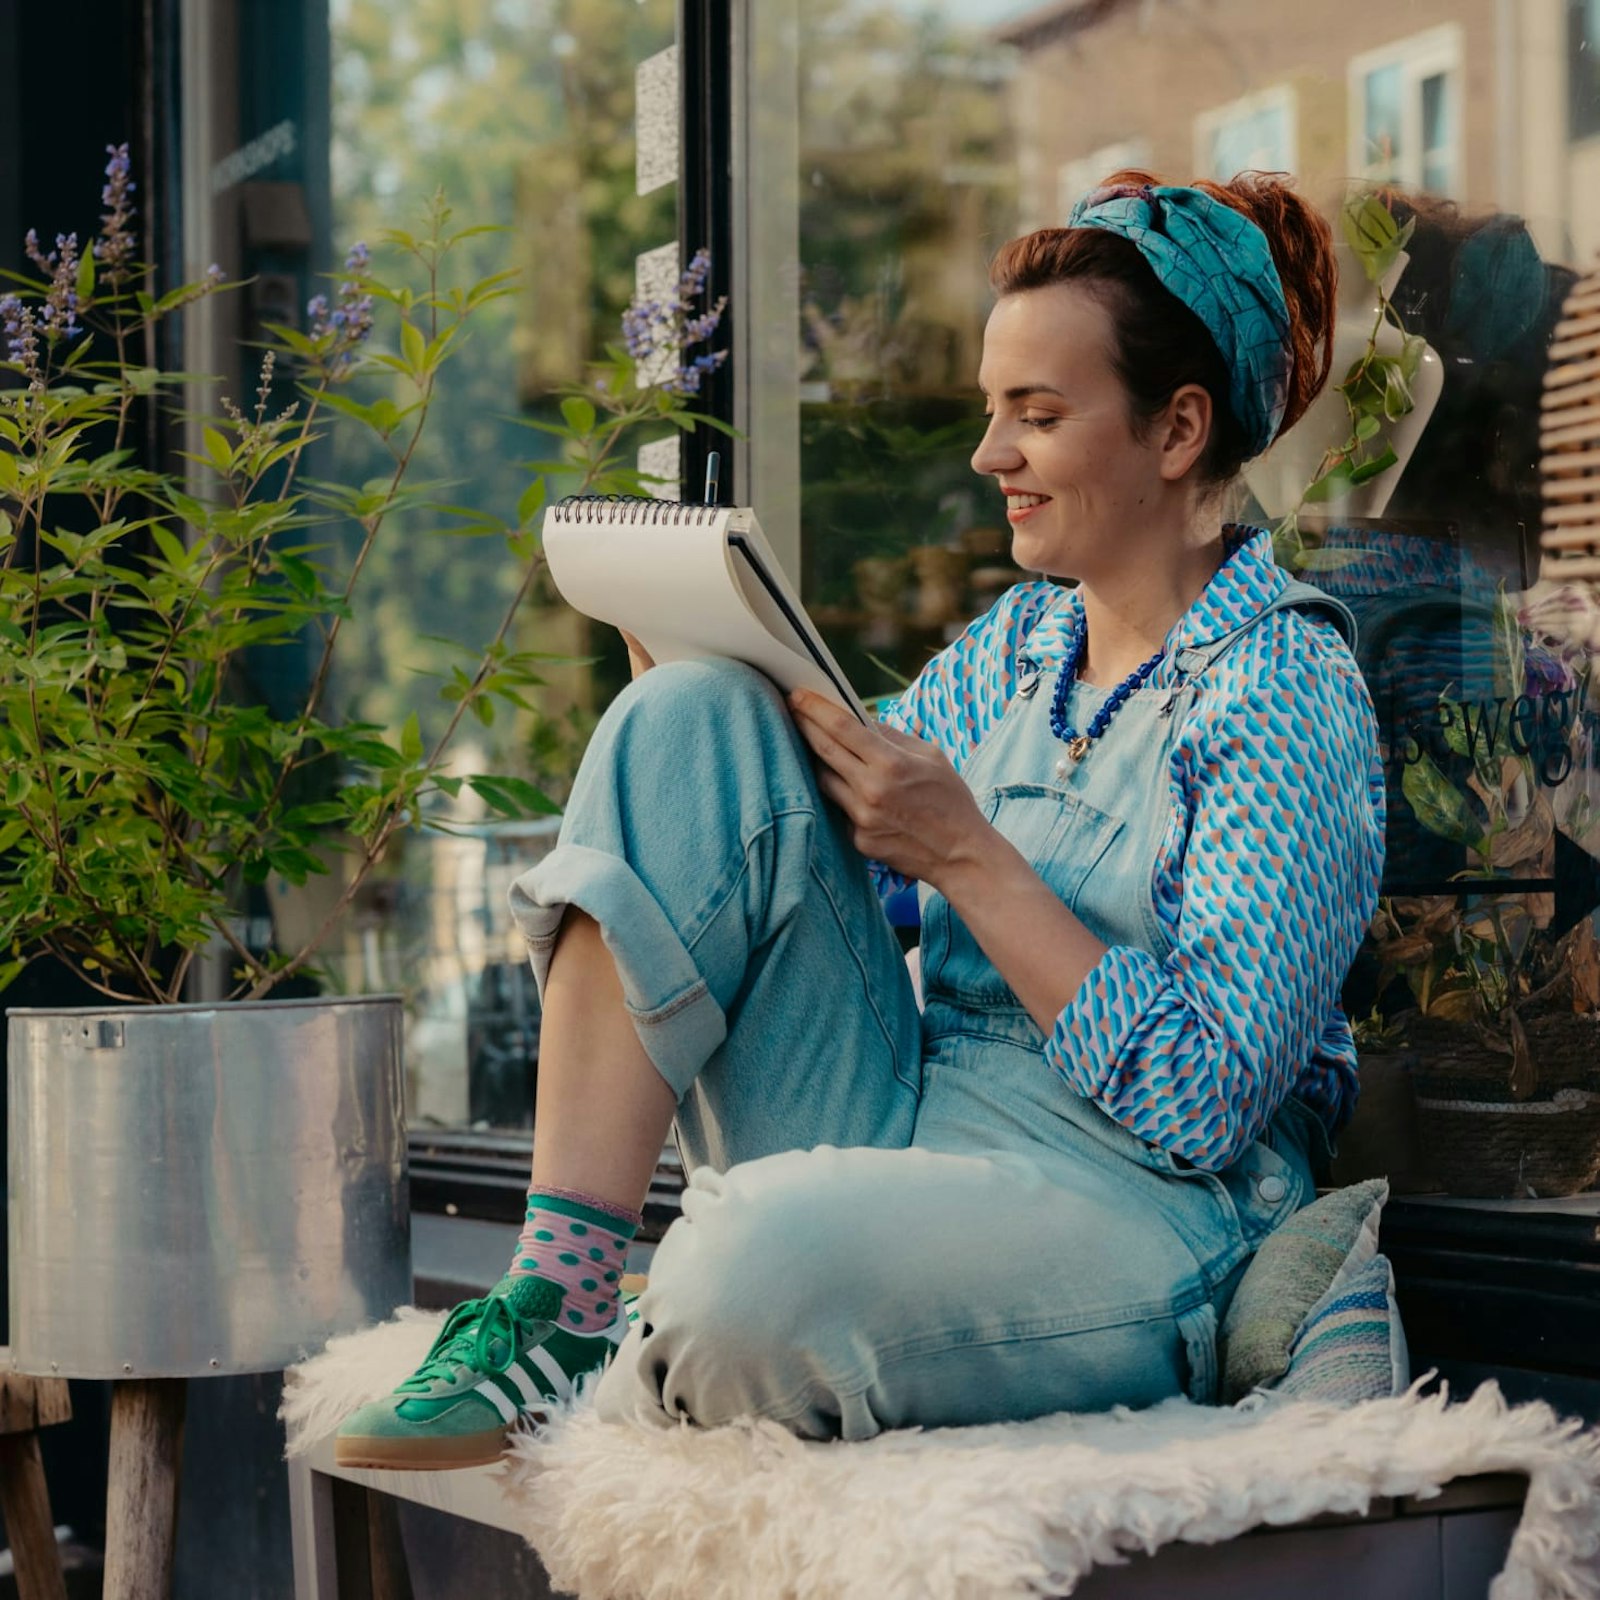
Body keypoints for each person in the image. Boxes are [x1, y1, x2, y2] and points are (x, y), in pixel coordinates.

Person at [335, 170, 1385, 1468]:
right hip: (917, 1106)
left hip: (1138, 1202)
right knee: (688, 720)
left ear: (1177, 430)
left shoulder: (1284, 692)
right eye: (993, 412)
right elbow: (810, 822)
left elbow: (1208, 1102)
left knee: (743, 1286)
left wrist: (973, 861)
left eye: (1038, 416)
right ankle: (557, 1300)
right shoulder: (1025, 644)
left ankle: (677, 1316)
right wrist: (695, 688)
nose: (990, 455)